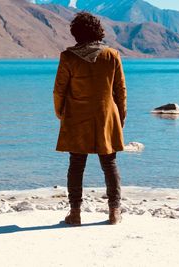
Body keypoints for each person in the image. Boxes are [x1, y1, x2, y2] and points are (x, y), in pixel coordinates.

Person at [53, 12, 127, 226]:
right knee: (110, 163)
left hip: (77, 116)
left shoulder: (68, 57)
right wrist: (119, 117)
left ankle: (75, 213)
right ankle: (114, 212)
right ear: (98, 31)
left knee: (76, 164)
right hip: (106, 115)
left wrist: (60, 112)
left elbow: (59, 90)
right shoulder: (112, 55)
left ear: (76, 33)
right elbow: (120, 90)